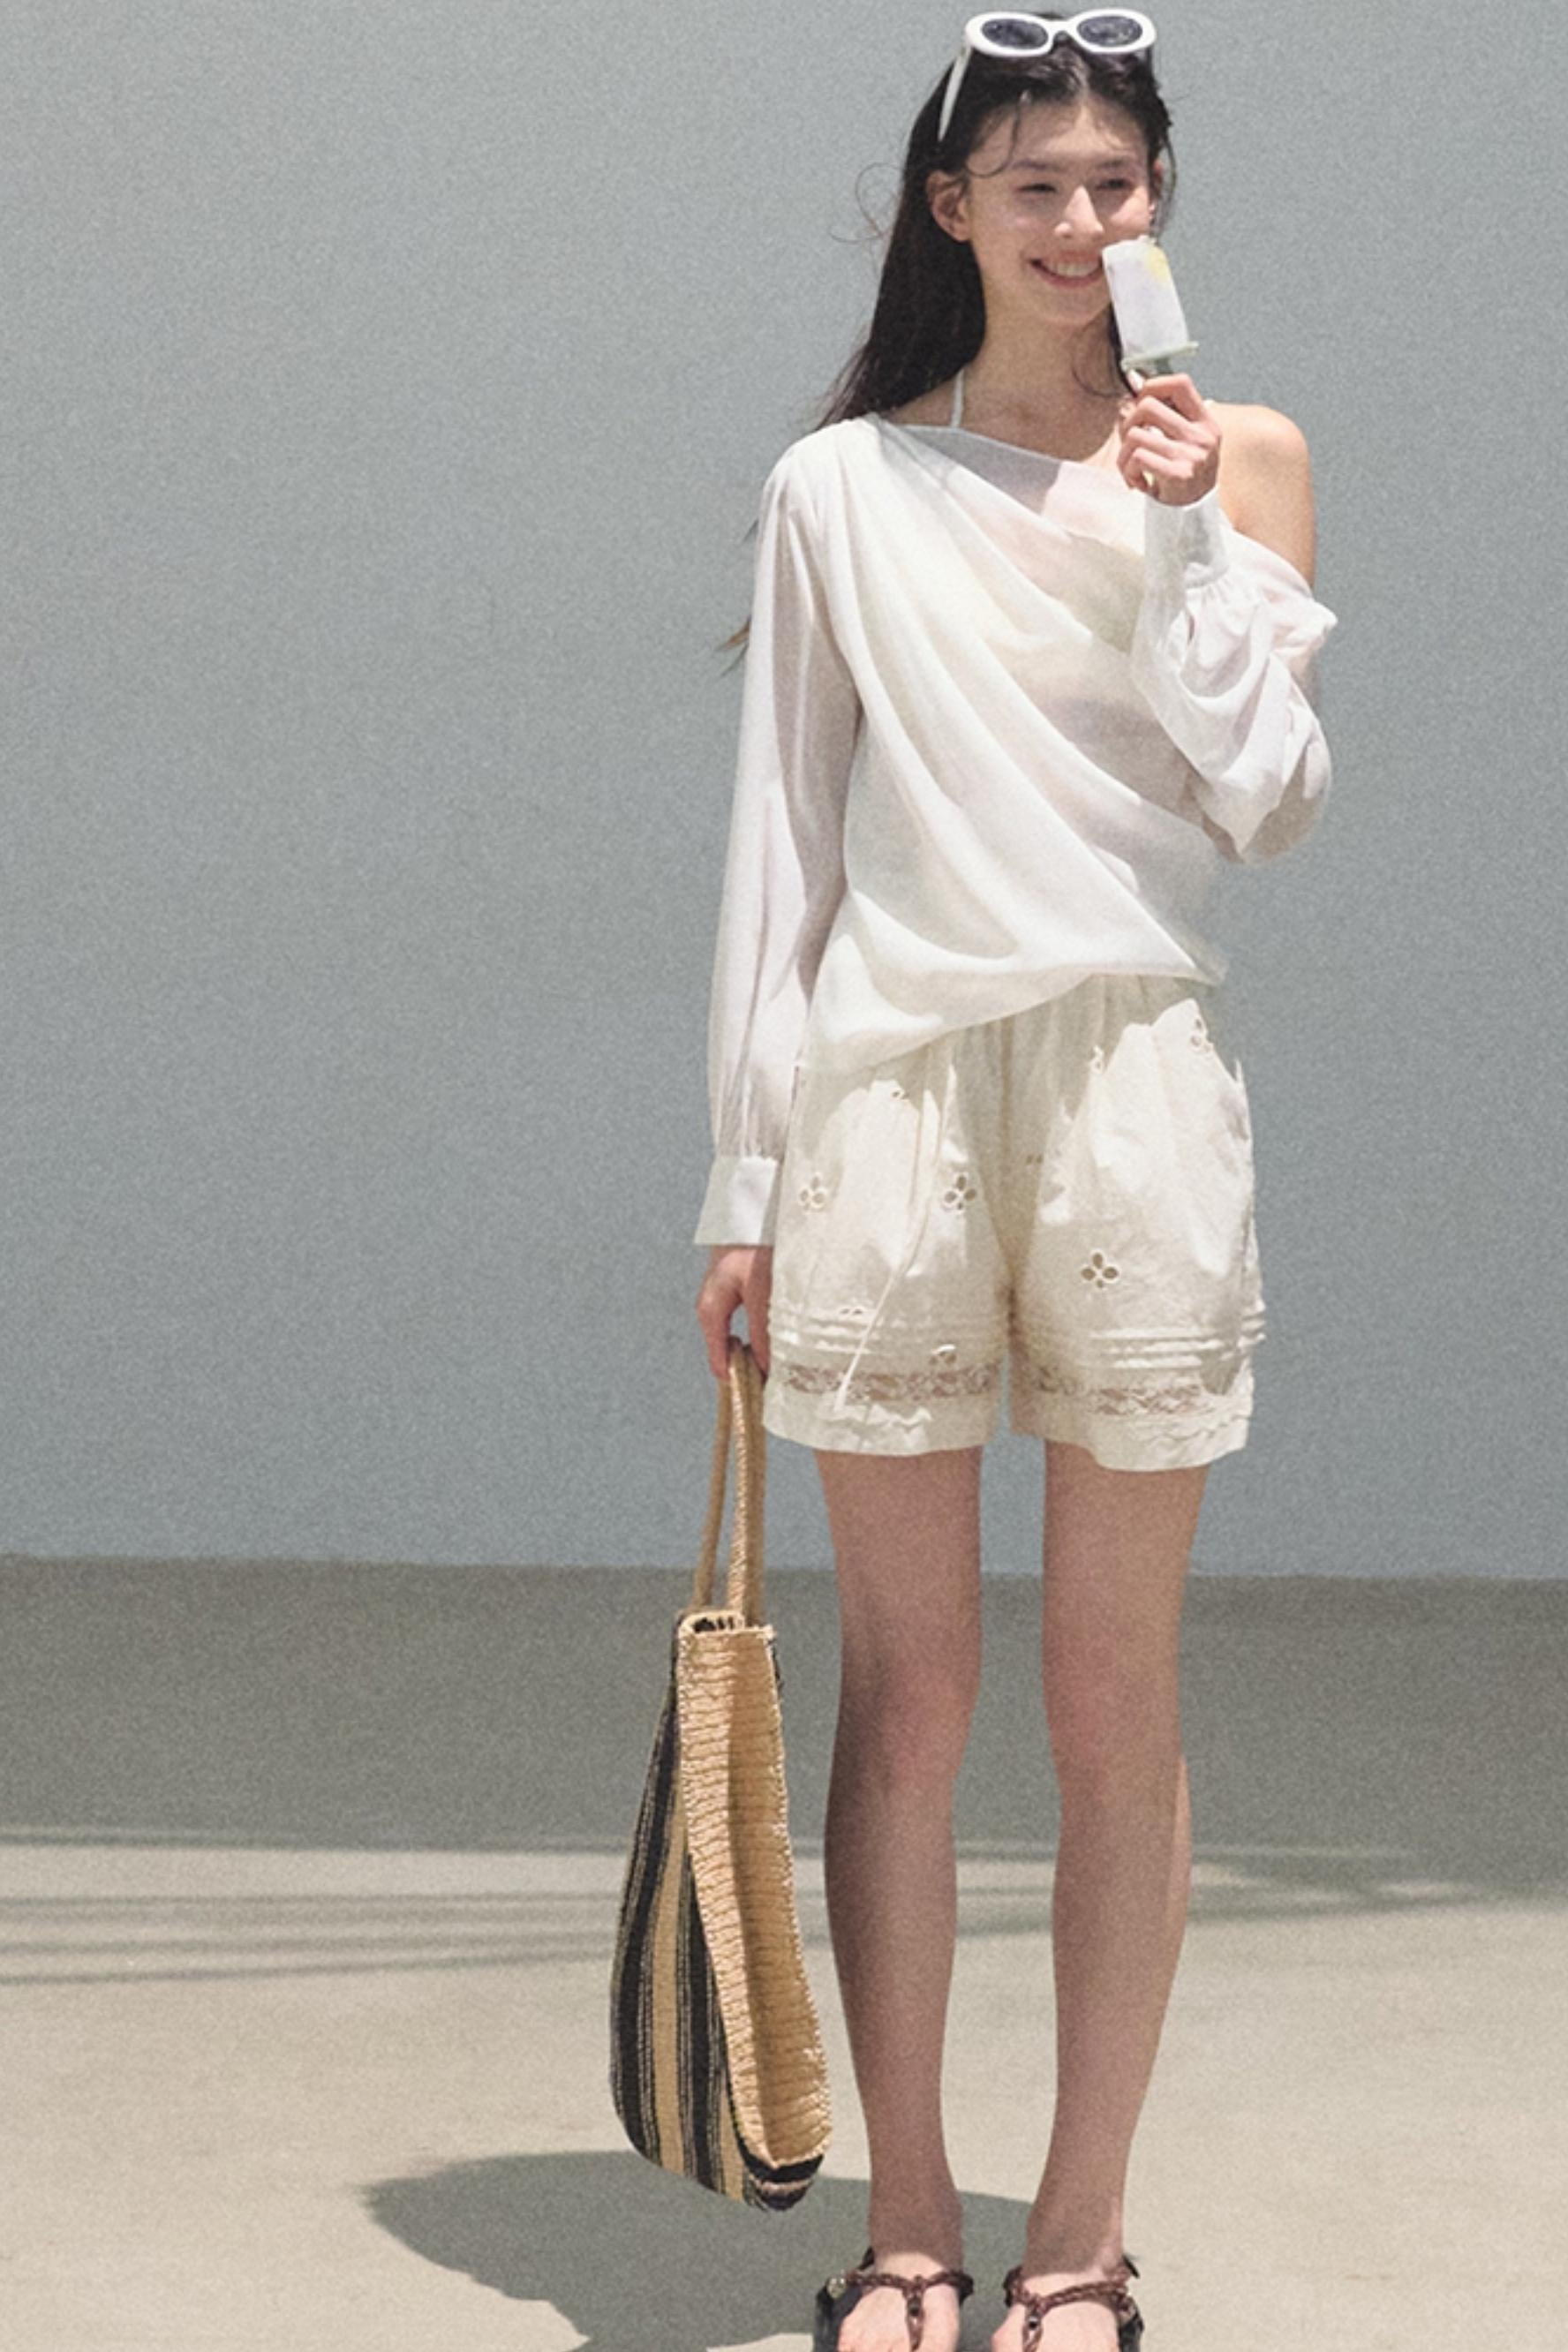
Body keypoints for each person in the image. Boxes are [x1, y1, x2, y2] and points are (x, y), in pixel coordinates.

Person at [692, 13, 1338, 2349]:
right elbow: (787, 840)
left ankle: (1078, 2243)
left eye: (1118, 184)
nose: (1083, 223)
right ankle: (905, 2231)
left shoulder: (1239, 457)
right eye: (1038, 186)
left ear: (1161, 204)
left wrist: (1182, 536)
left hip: (1134, 1089)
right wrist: (742, 1179)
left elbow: (1270, 799)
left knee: (1112, 1698)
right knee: (907, 1694)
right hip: (886, 1099)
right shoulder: (842, 486)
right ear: (950, 210)